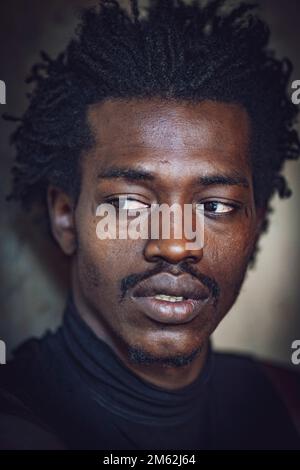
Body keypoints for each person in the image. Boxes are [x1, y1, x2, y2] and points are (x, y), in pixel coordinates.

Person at [1, 0, 300, 450]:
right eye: (128, 203)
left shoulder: (286, 403)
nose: (176, 245)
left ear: (254, 227)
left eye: (216, 206)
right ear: (66, 217)